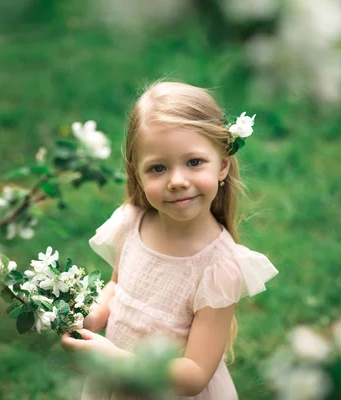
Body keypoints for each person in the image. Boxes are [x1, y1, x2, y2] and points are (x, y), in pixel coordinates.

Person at [61, 81, 278, 399]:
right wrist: (93, 315)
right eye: (158, 168)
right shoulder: (131, 223)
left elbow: (194, 374)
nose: (177, 181)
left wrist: (115, 360)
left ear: (223, 165)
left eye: (193, 162)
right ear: (138, 175)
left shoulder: (219, 268)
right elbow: (117, 286)